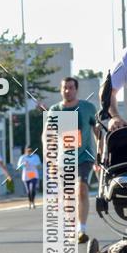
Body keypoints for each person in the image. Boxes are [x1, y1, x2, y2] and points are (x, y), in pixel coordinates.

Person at [45, 77, 98, 243]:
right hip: (64, 159)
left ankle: (81, 228)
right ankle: (72, 228)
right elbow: (47, 134)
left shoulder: (87, 108)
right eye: (64, 88)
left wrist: (101, 154)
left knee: (81, 189)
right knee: (67, 196)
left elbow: (97, 132)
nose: (67, 91)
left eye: (70, 87)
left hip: (84, 157)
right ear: (61, 90)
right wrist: (48, 152)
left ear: (76, 89)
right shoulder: (55, 110)